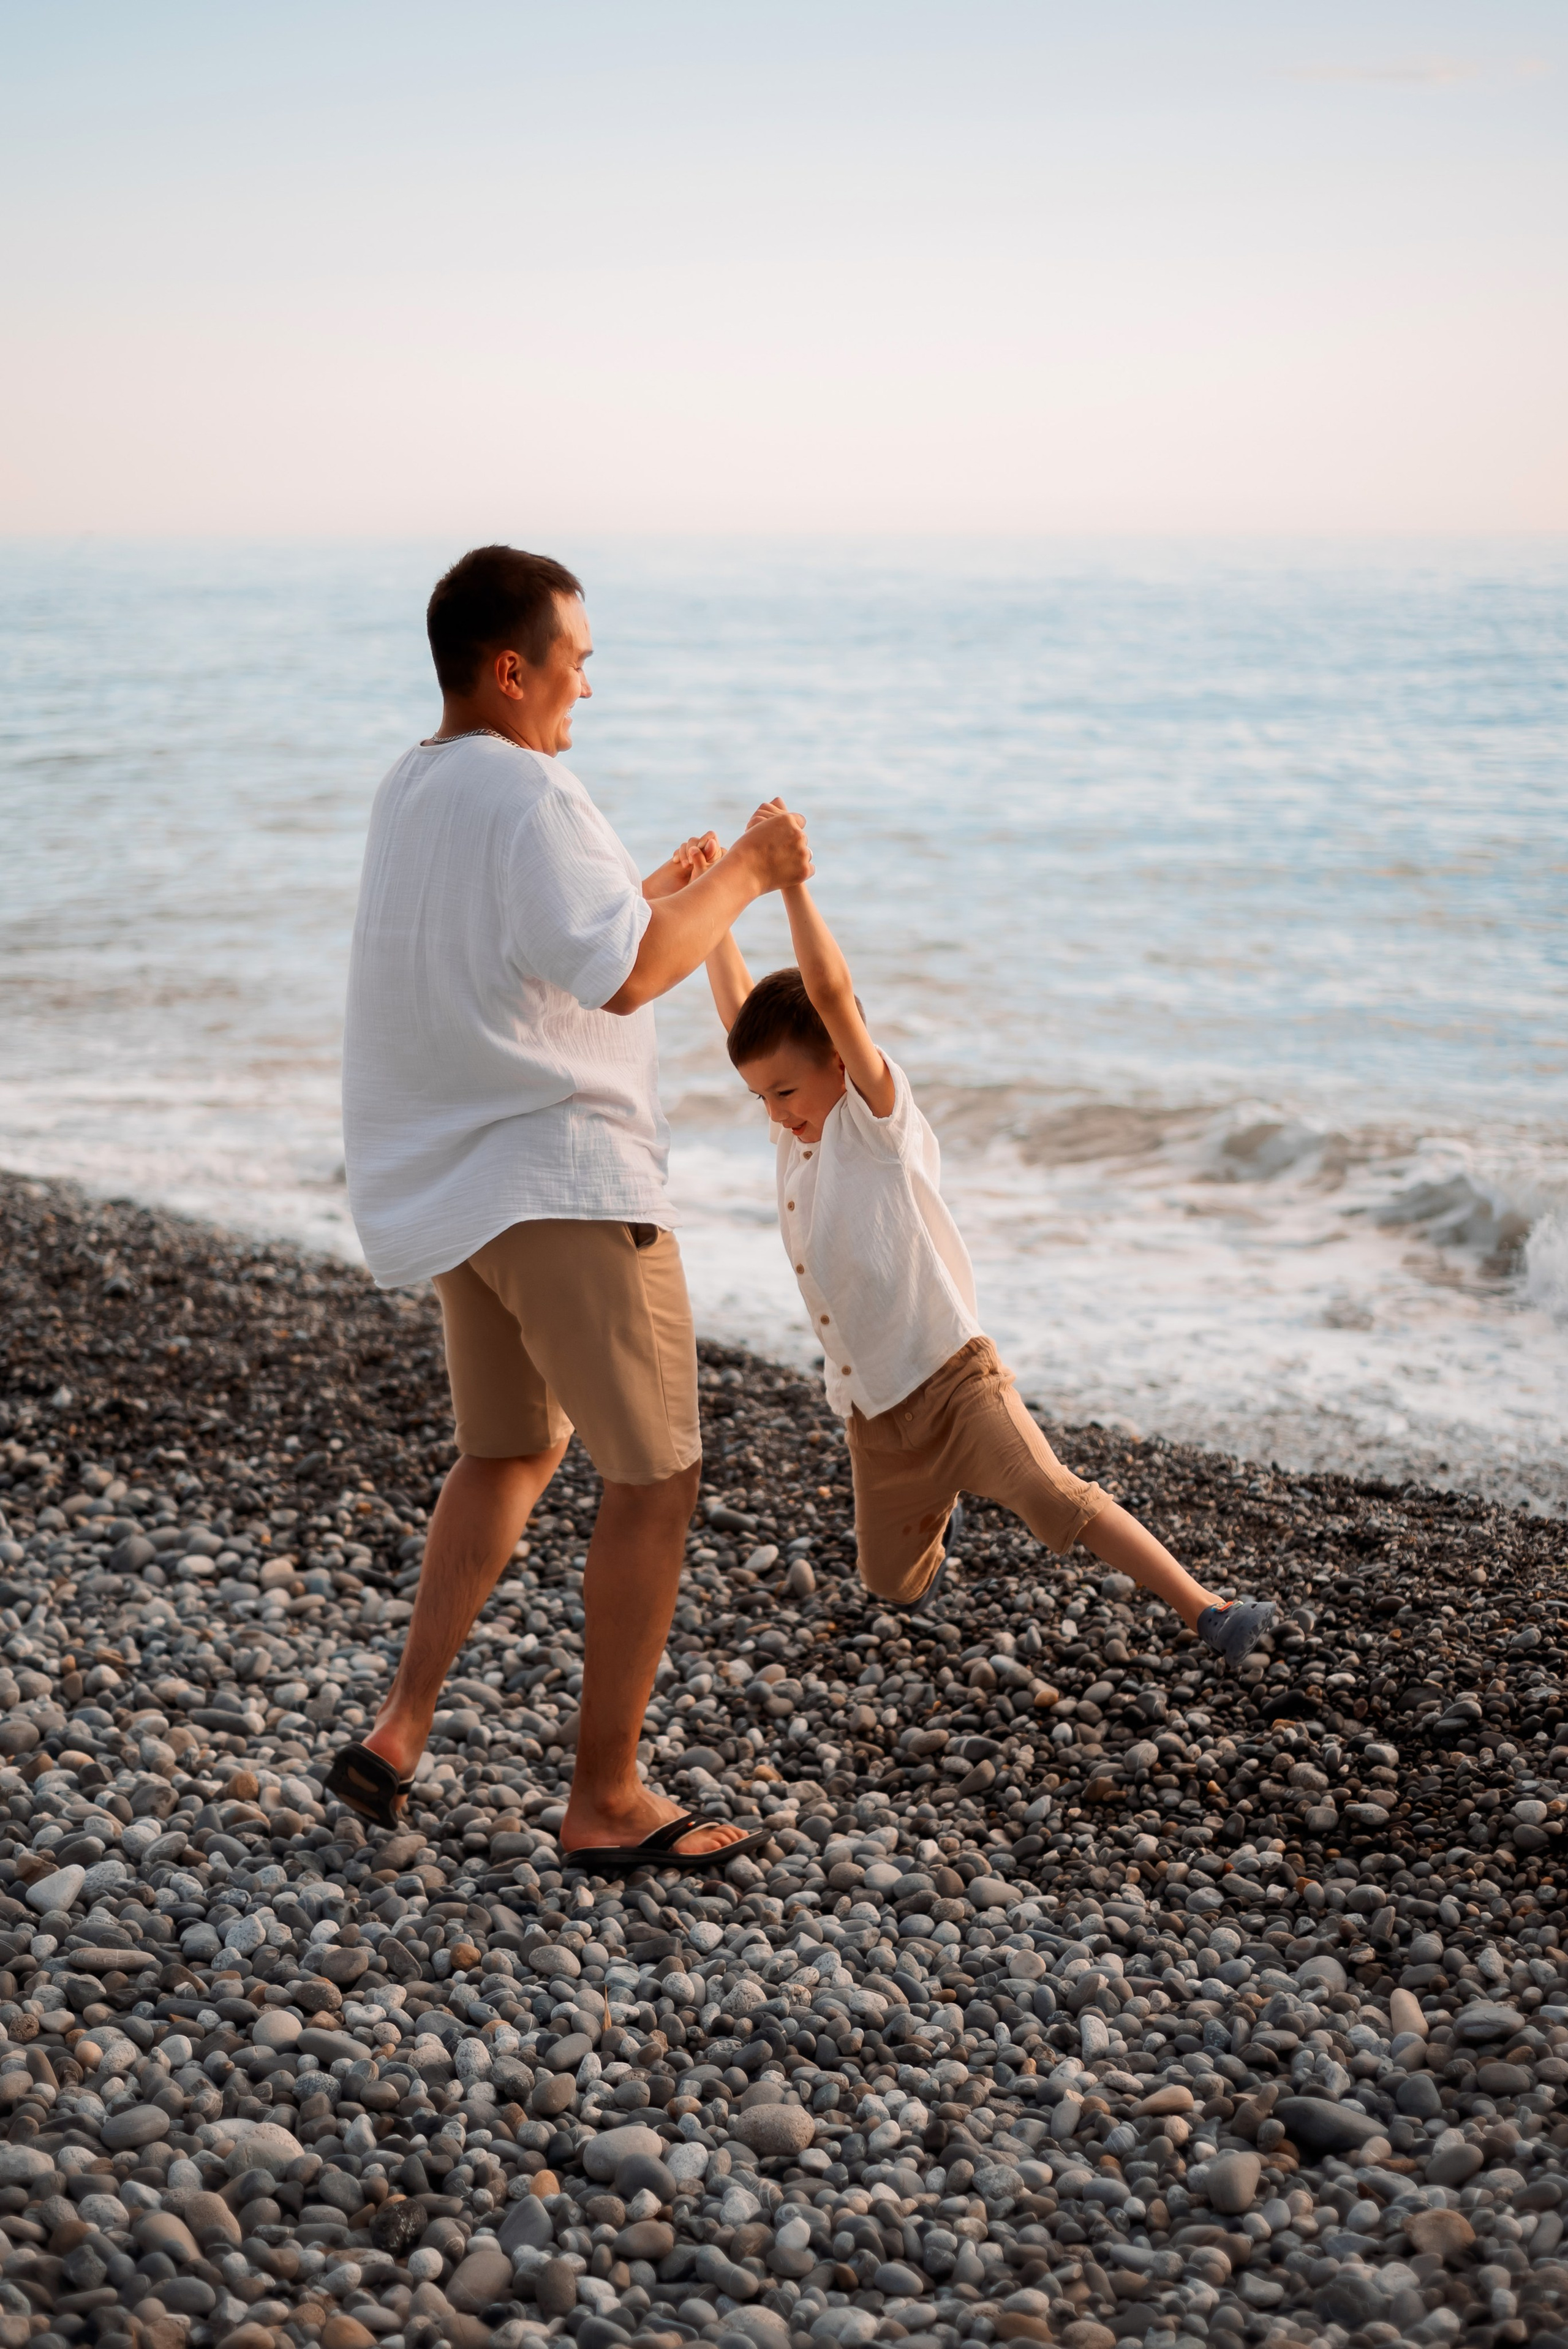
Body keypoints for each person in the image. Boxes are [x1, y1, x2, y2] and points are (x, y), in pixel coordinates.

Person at [332, 547, 813, 1872]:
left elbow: (538, 955)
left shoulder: (411, 787)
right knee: (655, 1477)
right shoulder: (531, 790)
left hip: (461, 1195)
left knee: (506, 1453)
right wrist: (752, 872)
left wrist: (654, 892)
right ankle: (606, 1797)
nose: (584, 688)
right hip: (562, 1186)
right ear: (510, 668)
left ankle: (398, 1732)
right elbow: (624, 982)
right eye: (575, 661)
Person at [699, 810, 1276, 1658]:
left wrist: (786, 882)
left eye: (786, 1090)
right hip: (877, 1415)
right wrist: (712, 902)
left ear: (838, 1061)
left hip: (955, 1380)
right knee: (889, 1582)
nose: (778, 1114)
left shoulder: (873, 1121)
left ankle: (1210, 1611)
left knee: (1056, 1500)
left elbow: (827, 993)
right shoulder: (800, 1138)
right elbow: (740, 1016)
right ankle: (946, 1509)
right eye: (763, 1100)